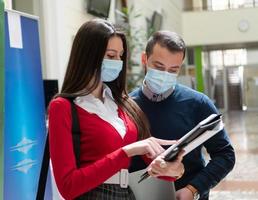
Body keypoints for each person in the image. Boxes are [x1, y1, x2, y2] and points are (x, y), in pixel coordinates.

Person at [48, 19, 185, 200]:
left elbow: (155, 166)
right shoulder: (63, 107)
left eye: (120, 56)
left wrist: (174, 169)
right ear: (88, 56)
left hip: (126, 193)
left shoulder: (124, 104)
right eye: (111, 56)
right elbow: (68, 186)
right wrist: (128, 152)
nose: (118, 62)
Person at [130, 31, 236, 200]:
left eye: (173, 70)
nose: (165, 75)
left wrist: (193, 189)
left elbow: (225, 155)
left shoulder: (199, 103)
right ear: (144, 59)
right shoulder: (128, 105)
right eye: (158, 67)